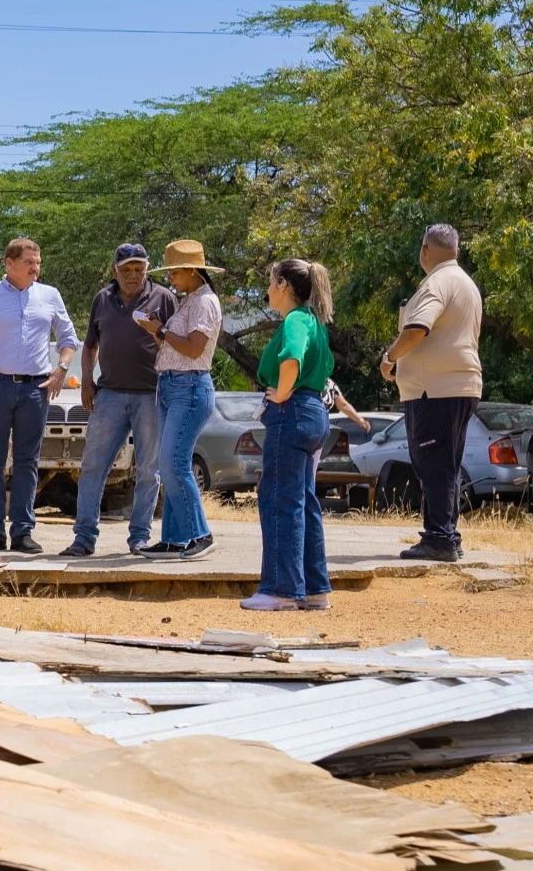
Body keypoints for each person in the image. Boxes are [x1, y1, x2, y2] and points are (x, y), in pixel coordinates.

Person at [0, 237, 81, 554]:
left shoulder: (50, 296)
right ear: (9, 263)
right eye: (29, 262)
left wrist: (61, 370)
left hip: (36, 388)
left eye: (38, 262)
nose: (36, 268)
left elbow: (68, 339)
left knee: (28, 461)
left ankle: (23, 532)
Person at [62, 243, 175, 557]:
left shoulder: (163, 298)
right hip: (109, 393)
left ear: (147, 269)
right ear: (115, 270)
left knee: (149, 471)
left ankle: (139, 538)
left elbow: (177, 344)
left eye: (139, 268)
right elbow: (89, 346)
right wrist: (87, 380)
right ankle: (83, 538)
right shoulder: (103, 298)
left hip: (151, 394)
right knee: (92, 467)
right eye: (127, 269)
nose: (133, 274)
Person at [379, 224, 482, 562]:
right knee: (447, 464)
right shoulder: (466, 283)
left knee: (432, 463)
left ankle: (438, 538)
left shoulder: (436, 283)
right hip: (461, 385)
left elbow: (417, 328)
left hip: (433, 389)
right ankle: (447, 535)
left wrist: (390, 357)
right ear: (457, 251)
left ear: (425, 250)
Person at [244, 258, 337, 612]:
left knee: (279, 499)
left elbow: (291, 359)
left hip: (292, 410)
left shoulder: (296, 320)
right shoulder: (314, 320)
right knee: (304, 501)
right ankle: (315, 589)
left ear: (284, 285)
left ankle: (281, 590)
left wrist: (281, 393)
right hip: (313, 412)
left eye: (270, 283)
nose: (267, 290)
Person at [136, 239, 225, 560]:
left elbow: (194, 348)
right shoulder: (191, 301)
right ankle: (175, 539)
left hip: (188, 388)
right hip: (174, 387)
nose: (170, 277)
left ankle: (201, 534)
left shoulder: (205, 302)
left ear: (191, 270)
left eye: (174, 271)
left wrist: (159, 331)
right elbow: (178, 347)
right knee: (172, 465)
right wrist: (155, 331)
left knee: (173, 464)